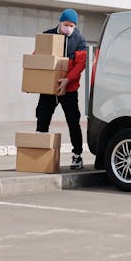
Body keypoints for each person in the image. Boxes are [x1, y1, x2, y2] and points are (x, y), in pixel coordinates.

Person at [35, 9, 87, 169]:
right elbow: (38, 55)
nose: (69, 28)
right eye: (66, 25)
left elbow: (80, 64)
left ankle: (77, 156)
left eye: (72, 25)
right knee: (42, 117)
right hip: (49, 87)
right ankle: (38, 153)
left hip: (69, 88)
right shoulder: (48, 35)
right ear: (60, 23)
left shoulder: (79, 39)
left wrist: (67, 80)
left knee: (73, 121)